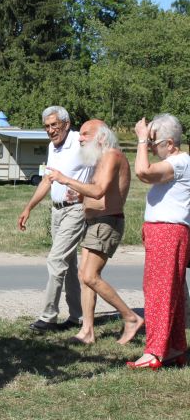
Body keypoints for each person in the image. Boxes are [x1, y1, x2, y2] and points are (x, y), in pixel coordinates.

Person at [46, 119, 143, 344]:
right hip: (96, 222)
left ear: (100, 136)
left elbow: (99, 192)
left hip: (107, 223)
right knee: (84, 277)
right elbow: (98, 191)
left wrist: (65, 179)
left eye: (85, 134)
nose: (79, 138)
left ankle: (131, 318)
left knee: (90, 276)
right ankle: (87, 331)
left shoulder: (112, 155)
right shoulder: (101, 158)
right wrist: (79, 195)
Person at [18, 106, 92, 332]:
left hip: (76, 210)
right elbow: (47, 181)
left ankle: (48, 317)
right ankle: (78, 315)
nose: (50, 130)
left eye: (54, 125)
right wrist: (29, 207)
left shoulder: (81, 143)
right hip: (57, 211)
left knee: (56, 260)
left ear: (66, 125)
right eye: (47, 126)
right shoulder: (53, 147)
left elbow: (101, 172)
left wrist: (85, 193)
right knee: (68, 264)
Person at [127, 114, 190, 369]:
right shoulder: (178, 161)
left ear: (171, 144)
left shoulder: (180, 161)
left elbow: (143, 172)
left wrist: (141, 140)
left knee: (158, 292)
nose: (151, 148)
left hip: (168, 233)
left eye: (155, 143)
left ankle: (154, 351)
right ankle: (174, 347)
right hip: (166, 232)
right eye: (150, 143)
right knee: (170, 291)